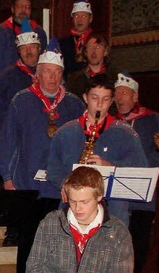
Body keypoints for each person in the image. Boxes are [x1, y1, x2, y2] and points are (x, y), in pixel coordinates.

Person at [0, 39, 85, 273]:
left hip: (63, 185)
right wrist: (8, 177)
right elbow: (8, 140)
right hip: (28, 183)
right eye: (46, 71)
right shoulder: (21, 101)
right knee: (29, 238)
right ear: (37, 73)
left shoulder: (73, 104)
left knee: (61, 240)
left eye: (57, 72)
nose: (52, 77)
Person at [47, 75, 147, 227]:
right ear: (85, 98)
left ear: (112, 101)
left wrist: (110, 165)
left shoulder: (126, 134)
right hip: (73, 210)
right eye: (94, 98)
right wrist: (64, 183)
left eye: (106, 99)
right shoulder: (65, 132)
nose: (99, 105)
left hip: (112, 213)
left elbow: (141, 170)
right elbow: (53, 168)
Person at [114, 72, 159, 273]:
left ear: (135, 97)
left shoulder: (152, 119)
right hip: (116, 193)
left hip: (142, 192)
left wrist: (149, 174)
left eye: (124, 93)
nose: (119, 97)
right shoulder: (111, 122)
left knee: (139, 239)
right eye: (117, 93)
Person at [0, 18, 41, 124]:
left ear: (39, 48)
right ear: (19, 51)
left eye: (32, 47)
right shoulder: (7, 77)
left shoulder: (49, 73)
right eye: (24, 48)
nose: (28, 51)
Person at [66, 33, 119, 100]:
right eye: (90, 47)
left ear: (105, 52)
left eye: (98, 47)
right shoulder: (74, 79)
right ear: (85, 52)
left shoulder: (116, 78)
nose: (94, 51)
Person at [59, 0, 94, 78]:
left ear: (90, 19)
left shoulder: (96, 41)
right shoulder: (62, 43)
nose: (80, 20)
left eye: (83, 16)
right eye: (77, 16)